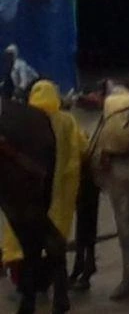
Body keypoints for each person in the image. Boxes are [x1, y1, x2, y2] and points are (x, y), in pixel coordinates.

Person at [0, 80, 84, 271]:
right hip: (61, 185)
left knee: (22, 231)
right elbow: (83, 146)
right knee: (54, 229)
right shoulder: (67, 120)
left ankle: (27, 278)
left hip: (29, 184)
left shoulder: (27, 118)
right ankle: (58, 283)